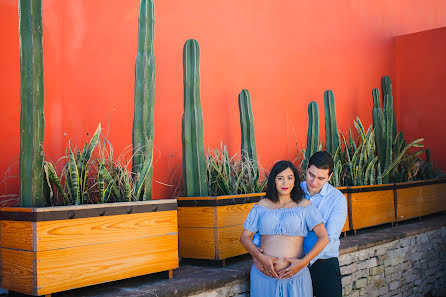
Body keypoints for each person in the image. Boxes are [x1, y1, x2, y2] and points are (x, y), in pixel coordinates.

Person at [240, 160, 329, 297]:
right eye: (280, 178)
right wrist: (259, 256)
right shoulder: (262, 205)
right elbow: (244, 237)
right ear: (273, 181)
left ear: (295, 181)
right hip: (263, 277)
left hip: (296, 277)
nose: (285, 183)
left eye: (289, 178)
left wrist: (303, 263)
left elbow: (324, 238)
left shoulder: (304, 206)